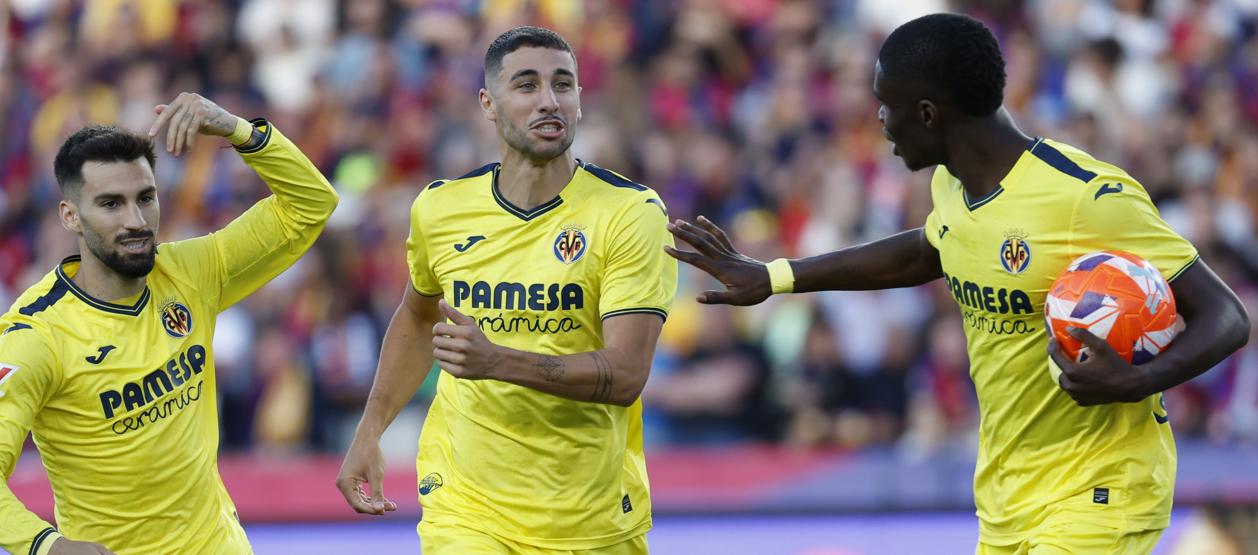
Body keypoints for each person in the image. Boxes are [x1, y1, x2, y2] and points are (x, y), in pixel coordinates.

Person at [664, 13, 1249, 555]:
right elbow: (929, 250)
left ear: (927, 114)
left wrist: (1138, 380)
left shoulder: (1086, 197)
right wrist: (776, 275)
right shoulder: (952, 184)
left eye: (885, 104)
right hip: (1007, 494)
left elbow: (1226, 316)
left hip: (1100, 487)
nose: (878, 120)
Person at [335, 26, 676, 554]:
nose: (549, 100)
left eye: (564, 85)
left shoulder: (631, 214)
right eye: (527, 85)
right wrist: (371, 426)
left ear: (581, 100)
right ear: (488, 103)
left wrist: (497, 362)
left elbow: (627, 374)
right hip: (467, 507)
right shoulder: (440, 208)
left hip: (590, 514)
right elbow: (418, 315)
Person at [0, 93, 338, 555]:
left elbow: (311, 204)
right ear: (70, 216)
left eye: (145, 198)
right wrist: (46, 545)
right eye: (111, 204)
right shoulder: (35, 336)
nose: (136, 220)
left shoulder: (191, 272)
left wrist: (238, 130)